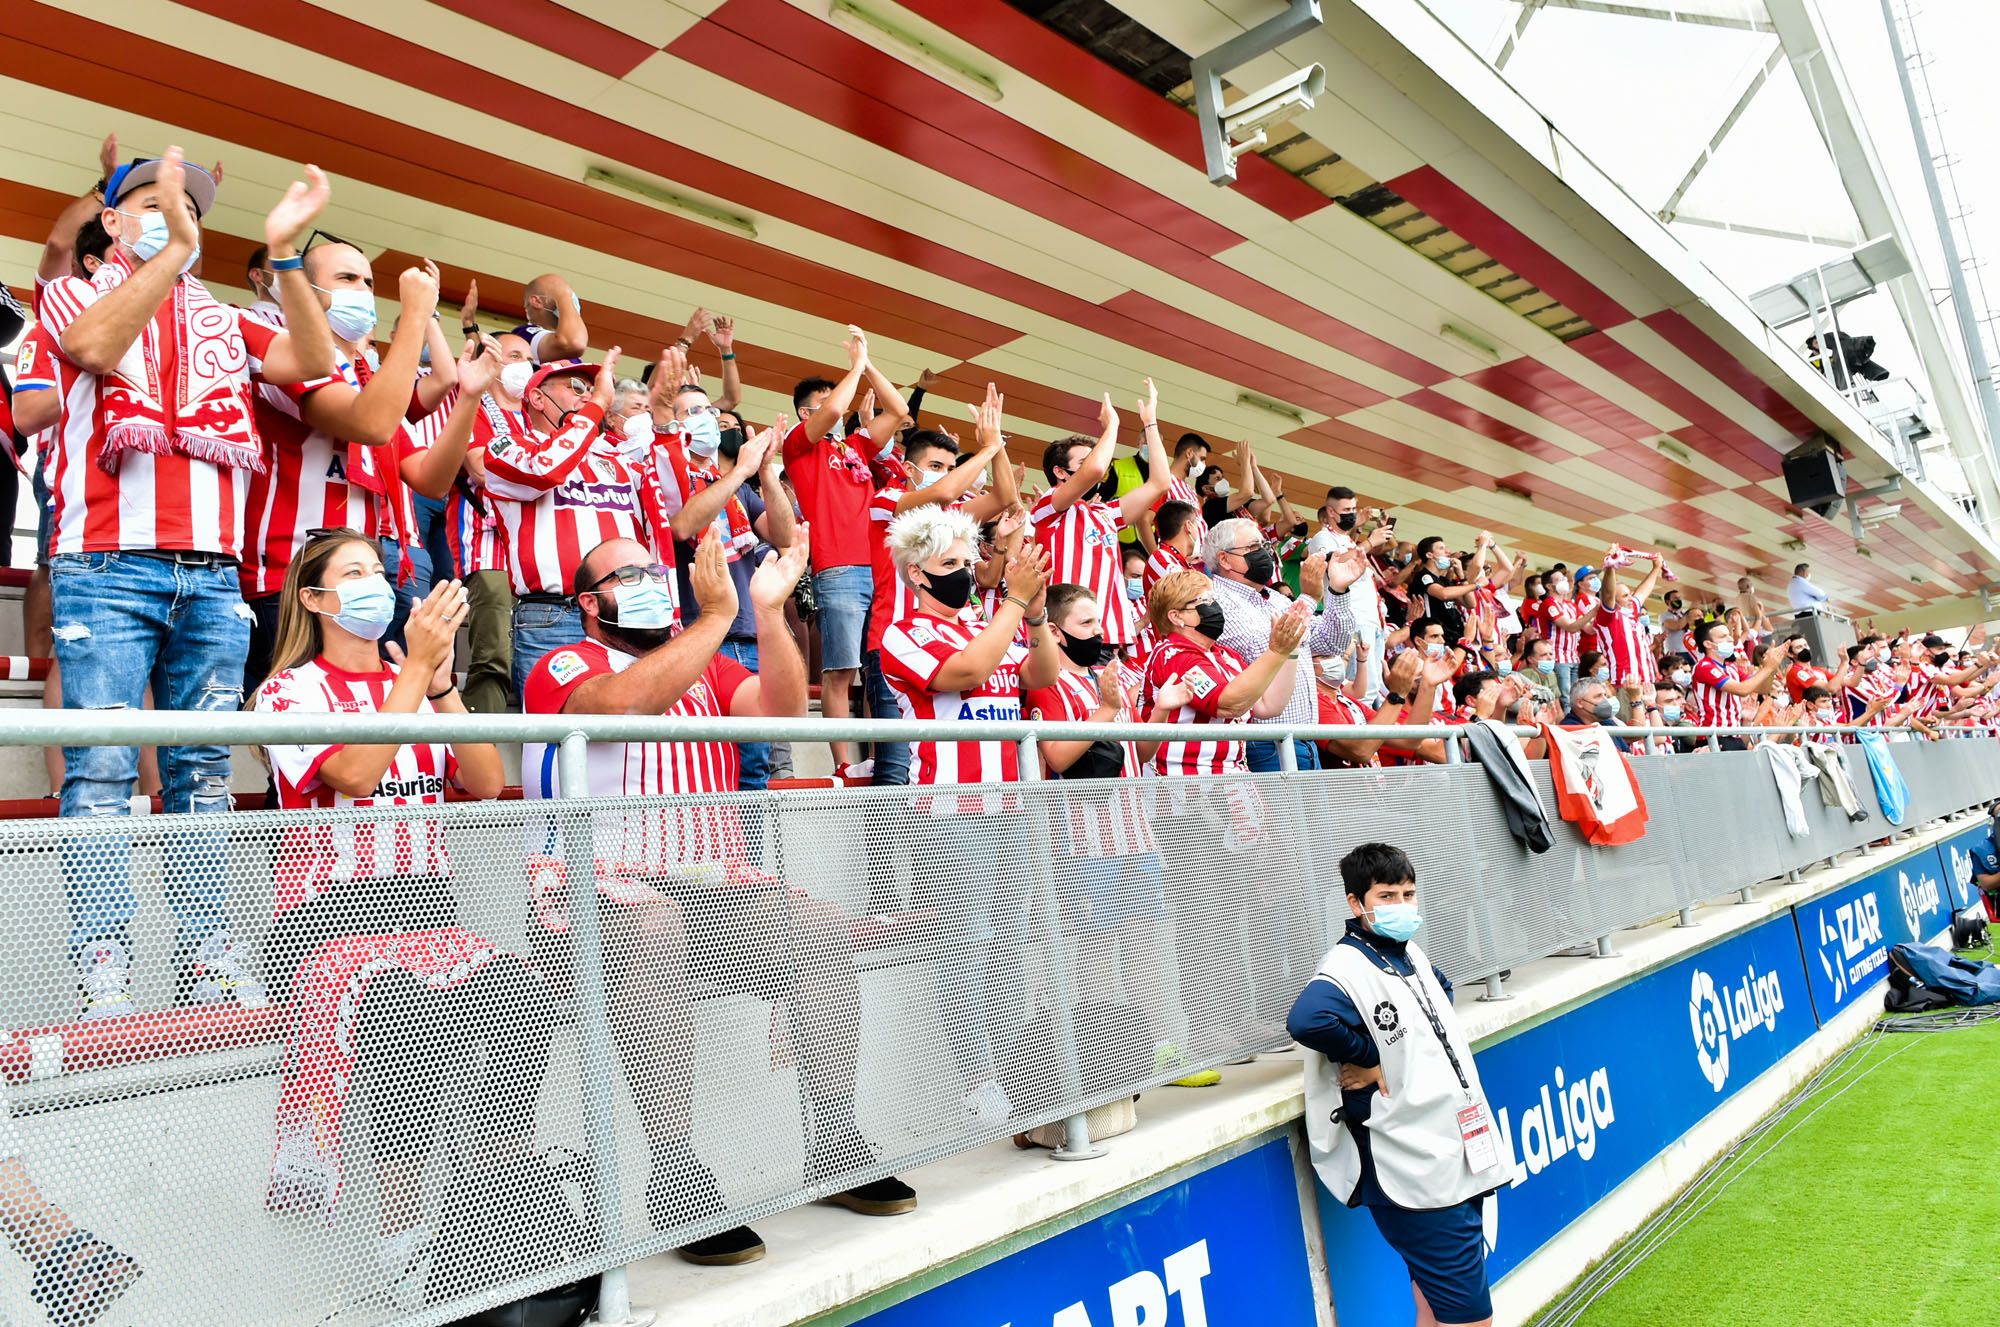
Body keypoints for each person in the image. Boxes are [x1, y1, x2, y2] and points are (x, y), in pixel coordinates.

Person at [524, 529, 913, 1266]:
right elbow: (619, 705)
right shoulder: (562, 659)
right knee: (657, 925)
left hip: (704, 879)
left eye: (649, 566)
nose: (645, 578)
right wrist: (711, 618)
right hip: (590, 884)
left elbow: (778, 716)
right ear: (588, 602)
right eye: (625, 572)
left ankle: (833, 1139)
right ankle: (674, 1172)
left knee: (820, 927)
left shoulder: (710, 664)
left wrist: (766, 612)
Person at [40, 147, 337, 1018]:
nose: (178, 215)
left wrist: (284, 259)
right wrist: (168, 251)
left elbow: (308, 360)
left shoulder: (222, 317)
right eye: (155, 202)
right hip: (104, 564)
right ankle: (105, 964)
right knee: (98, 769)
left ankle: (208, 954)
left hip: (211, 576)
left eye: (189, 208)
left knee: (201, 766)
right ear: (112, 220)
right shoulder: (78, 287)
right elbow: (92, 345)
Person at [251, 529, 555, 1305]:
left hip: (426, 907)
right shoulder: (287, 691)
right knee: (405, 1017)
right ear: (314, 598)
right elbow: (352, 773)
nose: (375, 585)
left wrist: (443, 684)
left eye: (380, 572)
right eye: (352, 573)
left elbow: (486, 781)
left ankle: (491, 1197)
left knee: (526, 996)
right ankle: (402, 1238)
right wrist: (413, 673)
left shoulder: (413, 682)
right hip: (327, 921)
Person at [880, 505, 1060, 1119]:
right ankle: (971, 1078)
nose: (963, 572)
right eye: (948, 564)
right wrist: (1014, 601)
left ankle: (1014, 1068)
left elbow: (1041, 676)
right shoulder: (905, 633)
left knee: (1013, 953)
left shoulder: (989, 621)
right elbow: (969, 670)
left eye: (967, 560)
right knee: (966, 958)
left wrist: (1033, 615)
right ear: (915, 575)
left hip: (1009, 812)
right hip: (948, 818)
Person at [1291, 843, 1511, 1327]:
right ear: (1355, 903)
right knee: (1473, 1320)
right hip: (1413, 1165)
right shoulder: (1345, 966)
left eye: (1409, 893)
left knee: (1432, 1307)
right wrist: (1370, 1057)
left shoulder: (1409, 951)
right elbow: (1307, 1020)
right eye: (1387, 896)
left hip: (1453, 1149)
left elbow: (1441, 992)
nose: (1402, 906)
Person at [240, 242, 465, 684]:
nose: (362, 291)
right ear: (303, 292)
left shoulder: (367, 378)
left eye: (368, 282)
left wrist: (470, 398)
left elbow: (430, 479)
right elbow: (373, 423)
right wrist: (416, 318)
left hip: (359, 586)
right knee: (300, 739)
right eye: (347, 279)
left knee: (355, 730)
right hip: (289, 582)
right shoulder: (286, 353)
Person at [478, 349, 681, 694]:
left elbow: (674, 503)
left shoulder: (619, 457)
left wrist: (663, 416)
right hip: (554, 617)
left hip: (629, 615)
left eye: (593, 387)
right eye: (576, 386)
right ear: (538, 398)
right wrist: (598, 405)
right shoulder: (507, 446)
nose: (588, 393)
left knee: (634, 739)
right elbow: (545, 468)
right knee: (555, 741)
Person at [643, 351, 794, 791]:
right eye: (689, 413)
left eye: (707, 410)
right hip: (700, 636)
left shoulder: (737, 488)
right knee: (711, 766)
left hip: (750, 636)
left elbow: (783, 534)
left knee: (755, 769)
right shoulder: (663, 476)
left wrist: (764, 472)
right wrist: (741, 470)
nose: (705, 419)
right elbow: (684, 523)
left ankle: (752, 860)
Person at [863, 384, 1019, 785]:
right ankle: (892, 851)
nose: (948, 476)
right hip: (897, 643)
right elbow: (947, 490)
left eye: (951, 466)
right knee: (896, 767)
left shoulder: (950, 515)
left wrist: (996, 445)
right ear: (910, 467)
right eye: (936, 465)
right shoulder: (888, 500)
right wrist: (986, 446)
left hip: (954, 640)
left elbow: (1005, 495)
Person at [782, 326, 910, 780]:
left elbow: (899, 411)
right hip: (836, 569)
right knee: (842, 672)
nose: (836, 409)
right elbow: (837, 406)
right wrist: (854, 365)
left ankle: (881, 759)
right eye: (824, 404)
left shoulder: (854, 446)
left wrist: (869, 363)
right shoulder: (800, 445)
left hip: (877, 570)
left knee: (879, 671)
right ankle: (842, 764)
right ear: (804, 413)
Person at [1201, 516, 1362, 771]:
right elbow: (1264, 645)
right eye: (1254, 547)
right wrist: (1308, 598)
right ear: (1224, 559)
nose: (1265, 553)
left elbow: (1333, 644)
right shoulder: (1215, 599)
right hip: (1263, 743)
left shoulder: (1277, 599)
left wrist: (1338, 591)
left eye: (1266, 546)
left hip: (1306, 741)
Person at [1029, 381, 1172, 660]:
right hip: (1066, 636)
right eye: (1083, 460)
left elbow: (1160, 482)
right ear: (1060, 471)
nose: (1099, 466)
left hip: (1107, 636)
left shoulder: (1104, 514)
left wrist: (1150, 423)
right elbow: (1095, 469)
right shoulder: (1049, 507)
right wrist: (1112, 427)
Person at [1307, 489, 1394, 701]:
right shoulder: (1322, 538)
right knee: (1362, 689)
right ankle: (1352, 732)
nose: (1351, 514)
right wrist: (1370, 542)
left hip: (1372, 620)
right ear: (1331, 511)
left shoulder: (1347, 540)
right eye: (1346, 510)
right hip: (1352, 618)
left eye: (1354, 509)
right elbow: (1334, 564)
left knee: (1373, 688)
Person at [1690, 621, 1795, 749]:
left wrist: (1772, 664)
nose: (1730, 639)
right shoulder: (1703, 667)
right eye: (1723, 636)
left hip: (1735, 735)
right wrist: (1768, 667)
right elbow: (1742, 690)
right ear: (1708, 644)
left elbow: (1763, 689)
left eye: (1729, 635)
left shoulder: (1731, 668)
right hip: (1713, 736)